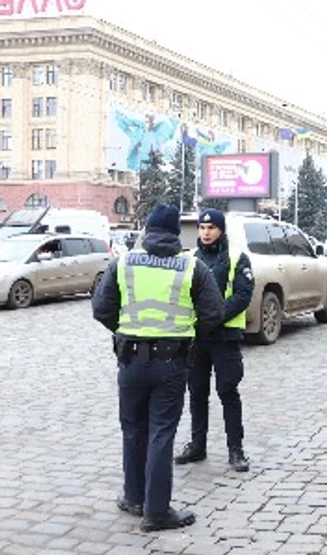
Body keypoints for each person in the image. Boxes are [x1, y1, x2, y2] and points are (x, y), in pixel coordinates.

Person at [91, 204, 225, 532]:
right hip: (171, 361)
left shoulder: (123, 263)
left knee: (133, 429)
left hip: (130, 360)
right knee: (161, 433)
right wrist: (186, 336)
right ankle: (156, 511)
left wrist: (128, 332)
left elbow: (101, 308)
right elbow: (213, 314)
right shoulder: (192, 267)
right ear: (176, 234)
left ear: (147, 231)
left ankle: (133, 497)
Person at [174, 209, 253, 472]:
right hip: (197, 338)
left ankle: (236, 449)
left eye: (211, 228)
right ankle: (198, 445)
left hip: (225, 336)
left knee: (228, 392)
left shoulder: (236, 257)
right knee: (197, 392)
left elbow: (242, 295)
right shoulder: (190, 259)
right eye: (202, 228)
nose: (206, 233)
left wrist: (214, 317)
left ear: (221, 230)